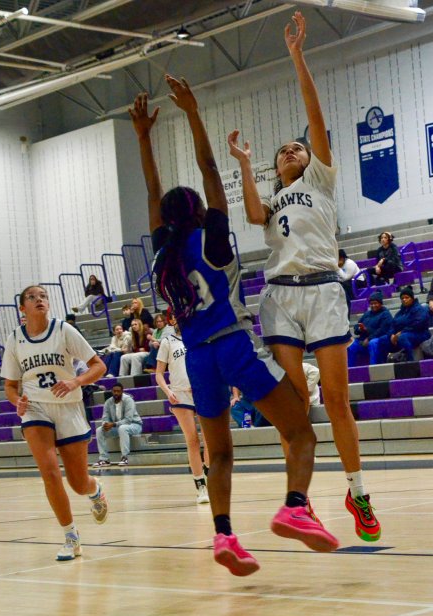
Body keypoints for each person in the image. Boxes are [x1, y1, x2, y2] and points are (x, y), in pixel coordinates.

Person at [130, 73, 339, 578]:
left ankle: (223, 534)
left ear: (164, 220)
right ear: (203, 210)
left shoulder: (165, 257)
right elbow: (207, 168)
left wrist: (142, 137)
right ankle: (293, 504)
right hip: (234, 345)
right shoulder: (214, 236)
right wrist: (193, 113)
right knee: (301, 433)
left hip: (198, 358)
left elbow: (153, 191)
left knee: (219, 452)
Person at [228, 12, 381, 543]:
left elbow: (314, 117)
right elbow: (250, 215)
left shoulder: (320, 178)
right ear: (277, 168)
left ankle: (357, 490)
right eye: (284, 151)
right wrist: (247, 164)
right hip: (280, 296)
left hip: (323, 290)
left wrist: (296, 56)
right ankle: (300, 502)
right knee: (297, 407)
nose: (293, 150)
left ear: (311, 158)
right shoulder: (272, 200)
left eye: (298, 147)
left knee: (336, 398)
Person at [1, 285, 108, 561]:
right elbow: (11, 386)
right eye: (32, 297)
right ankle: (71, 537)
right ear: (22, 308)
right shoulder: (15, 339)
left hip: (69, 407)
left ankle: (94, 490)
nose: (40, 299)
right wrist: (17, 402)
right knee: (49, 472)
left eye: (44, 296)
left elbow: (99, 366)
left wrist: (75, 381)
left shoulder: (64, 330)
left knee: (78, 483)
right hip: (35, 408)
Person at [156, 318, 210, 504]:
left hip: (201, 390)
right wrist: (168, 391)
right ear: (172, 320)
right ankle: (200, 485)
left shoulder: (198, 335)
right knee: (192, 440)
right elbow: (158, 373)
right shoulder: (167, 341)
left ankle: (209, 475)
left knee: (209, 438)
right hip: (179, 395)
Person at [368, 286, 431, 364]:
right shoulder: (400, 313)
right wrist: (392, 335)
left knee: (403, 337)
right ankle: (383, 365)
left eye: (406, 297)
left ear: (412, 298)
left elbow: (418, 324)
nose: (404, 300)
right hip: (401, 335)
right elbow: (393, 325)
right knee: (383, 340)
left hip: (420, 333)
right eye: (402, 298)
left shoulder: (419, 309)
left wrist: (401, 332)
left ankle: (411, 363)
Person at [93, 383, 143, 467]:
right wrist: (105, 424)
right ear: (112, 391)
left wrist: (113, 424)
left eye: (118, 391)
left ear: (122, 392)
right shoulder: (108, 402)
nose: (116, 393)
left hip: (134, 425)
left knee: (122, 428)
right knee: (99, 430)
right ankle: (104, 459)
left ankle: (125, 457)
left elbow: (128, 420)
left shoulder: (128, 400)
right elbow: (105, 417)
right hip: (117, 427)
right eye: (114, 391)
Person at [347, 291, 394, 367]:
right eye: (371, 304)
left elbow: (382, 330)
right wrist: (359, 329)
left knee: (373, 343)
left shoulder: (385, 314)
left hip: (378, 339)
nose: (373, 305)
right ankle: (351, 369)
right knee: (351, 345)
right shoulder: (367, 314)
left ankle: (373, 367)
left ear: (380, 303)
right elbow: (356, 326)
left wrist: (368, 337)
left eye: (375, 303)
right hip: (363, 338)